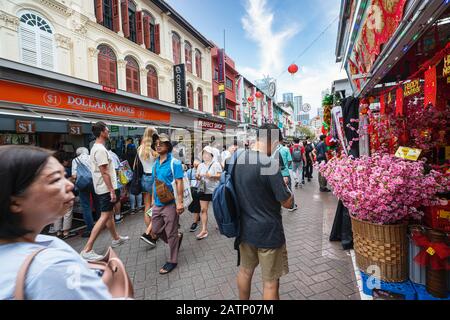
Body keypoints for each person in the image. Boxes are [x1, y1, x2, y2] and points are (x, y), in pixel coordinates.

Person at [0, 145, 112, 300]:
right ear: (15, 203)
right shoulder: (49, 266)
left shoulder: (44, 242)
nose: (70, 185)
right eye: (54, 179)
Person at [234, 124, 294, 300]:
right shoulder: (269, 163)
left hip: (245, 229)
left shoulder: (238, 158)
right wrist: (286, 188)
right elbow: (286, 202)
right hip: (268, 232)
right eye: (277, 144)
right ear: (273, 140)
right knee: (270, 282)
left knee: (245, 272)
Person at [81, 122, 129, 261]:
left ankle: (116, 238)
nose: (108, 131)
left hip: (102, 188)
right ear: (102, 132)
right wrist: (112, 191)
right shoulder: (100, 150)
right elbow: (104, 172)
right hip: (106, 189)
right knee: (104, 216)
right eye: (106, 129)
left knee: (109, 215)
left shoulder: (96, 148)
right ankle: (87, 249)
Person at [151, 134, 185, 274]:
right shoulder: (155, 163)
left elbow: (179, 182)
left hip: (171, 204)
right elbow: (154, 183)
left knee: (170, 233)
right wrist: (153, 201)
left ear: (168, 146)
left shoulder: (174, 163)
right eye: (156, 143)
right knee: (155, 230)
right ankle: (176, 239)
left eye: (162, 143)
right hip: (158, 204)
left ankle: (172, 260)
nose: (158, 145)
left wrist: (180, 202)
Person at [72, 147, 101, 238]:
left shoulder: (75, 160)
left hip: (83, 185)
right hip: (94, 183)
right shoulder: (91, 157)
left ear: (78, 153)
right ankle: (100, 224)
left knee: (86, 206)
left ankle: (90, 228)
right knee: (98, 204)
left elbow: (74, 175)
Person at [137, 127, 159, 247]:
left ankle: (152, 233)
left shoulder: (140, 149)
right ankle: (153, 233)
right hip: (154, 178)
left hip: (144, 178)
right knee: (155, 205)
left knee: (146, 207)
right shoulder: (154, 150)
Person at [195, 146, 223, 240]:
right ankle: (204, 230)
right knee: (203, 210)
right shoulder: (200, 165)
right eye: (204, 154)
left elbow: (220, 176)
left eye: (207, 154)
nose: (205, 156)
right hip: (203, 190)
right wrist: (198, 177)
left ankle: (220, 224)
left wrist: (212, 176)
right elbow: (197, 176)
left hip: (215, 190)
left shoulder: (216, 164)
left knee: (217, 209)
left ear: (211, 155)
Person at [52, 152, 77, 240]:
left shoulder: (53, 169)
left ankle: (58, 232)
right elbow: (71, 180)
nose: (69, 162)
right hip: (65, 193)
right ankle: (66, 232)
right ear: (64, 161)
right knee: (67, 212)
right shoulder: (66, 169)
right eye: (67, 160)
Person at [274, 138, 298, 212]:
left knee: (275, 189)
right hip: (285, 173)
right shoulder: (285, 149)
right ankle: (291, 206)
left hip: (274, 173)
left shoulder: (271, 150)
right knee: (288, 189)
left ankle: (277, 206)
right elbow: (290, 160)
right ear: (281, 141)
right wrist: (286, 167)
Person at [186, 159, 201, 232]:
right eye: (195, 162)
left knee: (197, 206)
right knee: (193, 207)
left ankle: (195, 223)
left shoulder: (202, 170)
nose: (196, 164)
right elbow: (186, 181)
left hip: (200, 191)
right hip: (192, 191)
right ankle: (197, 218)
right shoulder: (189, 171)